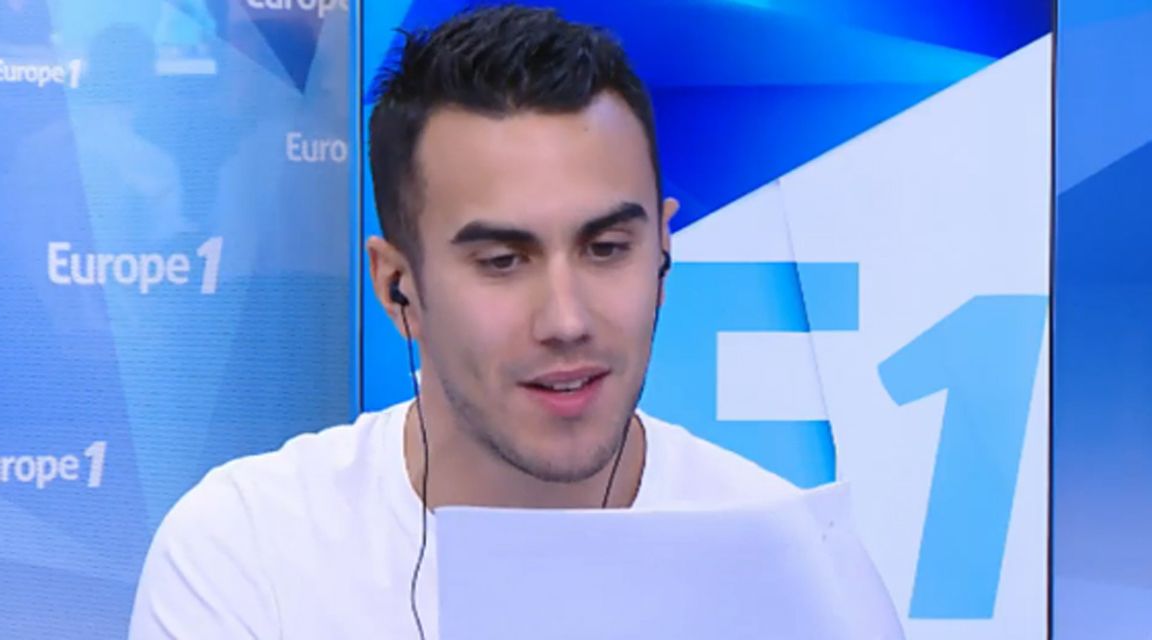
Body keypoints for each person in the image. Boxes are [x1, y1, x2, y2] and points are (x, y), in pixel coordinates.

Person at [130, 5, 894, 639]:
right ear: (397, 287)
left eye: (606, 248)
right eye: (503, 260)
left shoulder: (795, 567)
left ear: (663, 249)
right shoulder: (248, 553)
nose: (566, 319)